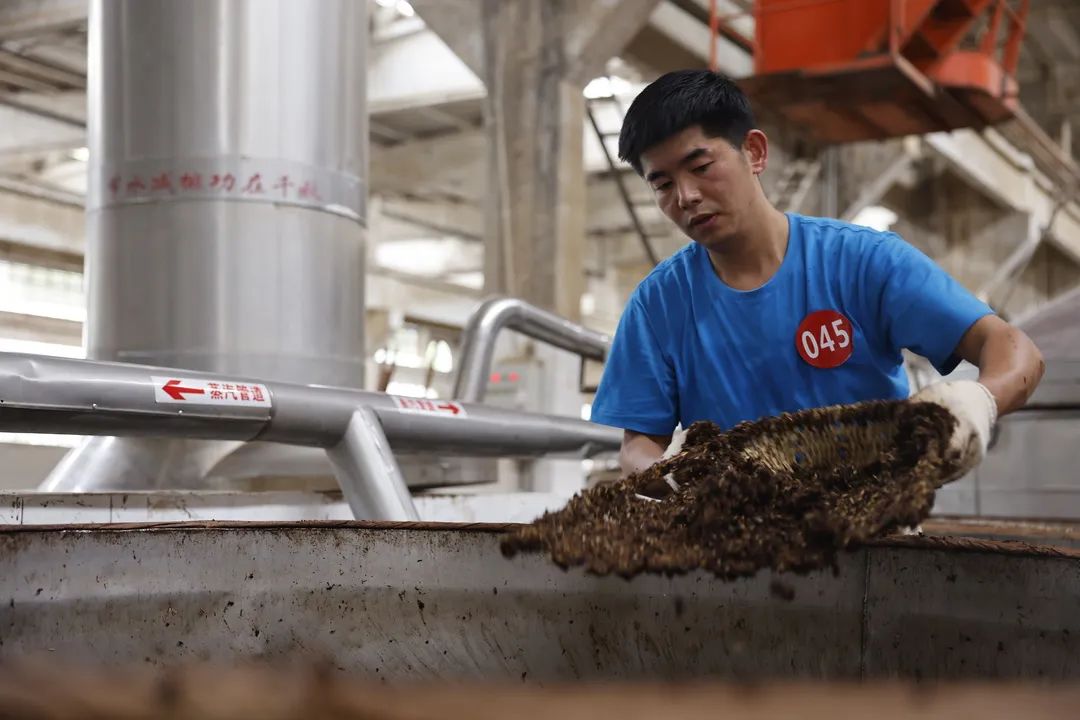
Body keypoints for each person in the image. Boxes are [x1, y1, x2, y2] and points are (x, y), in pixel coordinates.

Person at [589, 69, 1045, 476]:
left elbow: (1012, 348)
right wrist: (664, 472)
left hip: (874, 535)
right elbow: (639, 443)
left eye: (701, 167)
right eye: (663, 184)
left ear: (754, 152)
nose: (685, 196)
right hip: (732, 537)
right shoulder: (657, 305)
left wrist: (976, 403)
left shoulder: (864, 262)